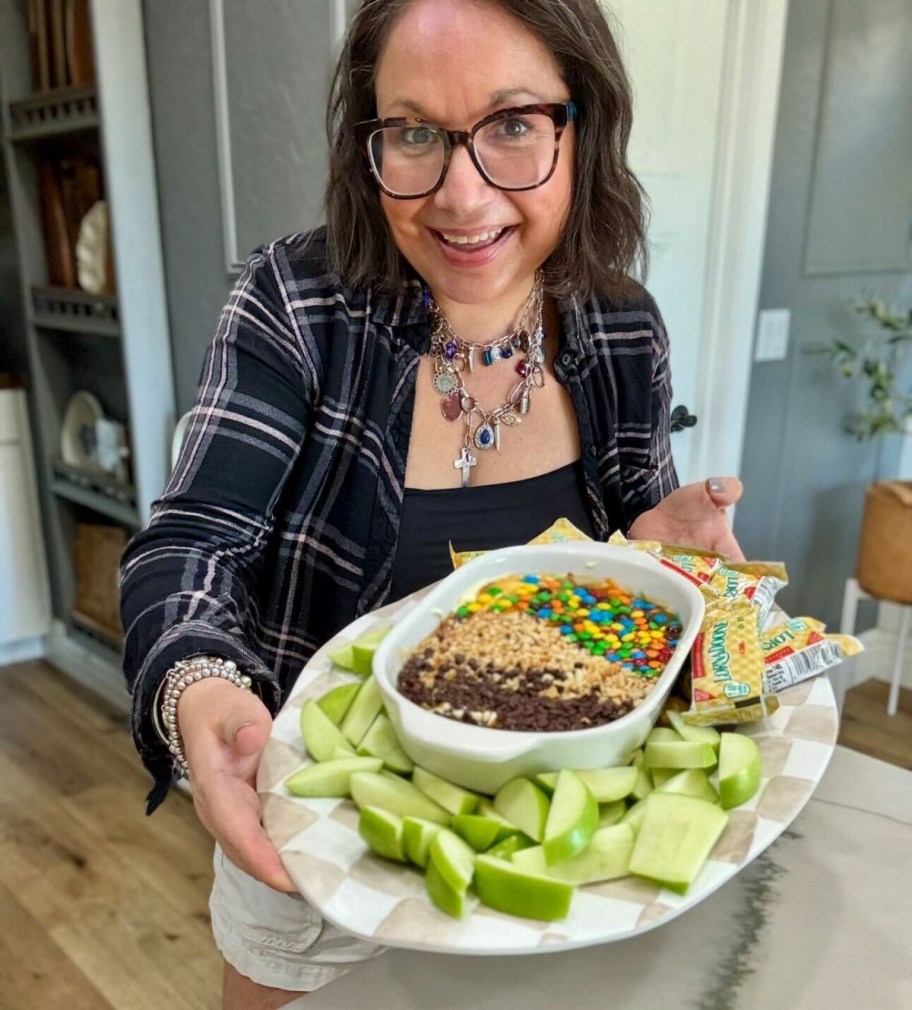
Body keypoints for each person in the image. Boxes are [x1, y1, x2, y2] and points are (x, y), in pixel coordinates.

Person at [120, 0, 745, 1006]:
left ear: (582, 125)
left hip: (556, 854)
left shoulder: (623, 328)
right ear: (367, 143)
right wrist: (197, 685)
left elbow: (631, 563)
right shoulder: (297, 304)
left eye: (511, 125)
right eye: (413, 132)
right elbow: (194, 542)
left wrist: (650, 548)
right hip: (320, 850)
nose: (462, 195)